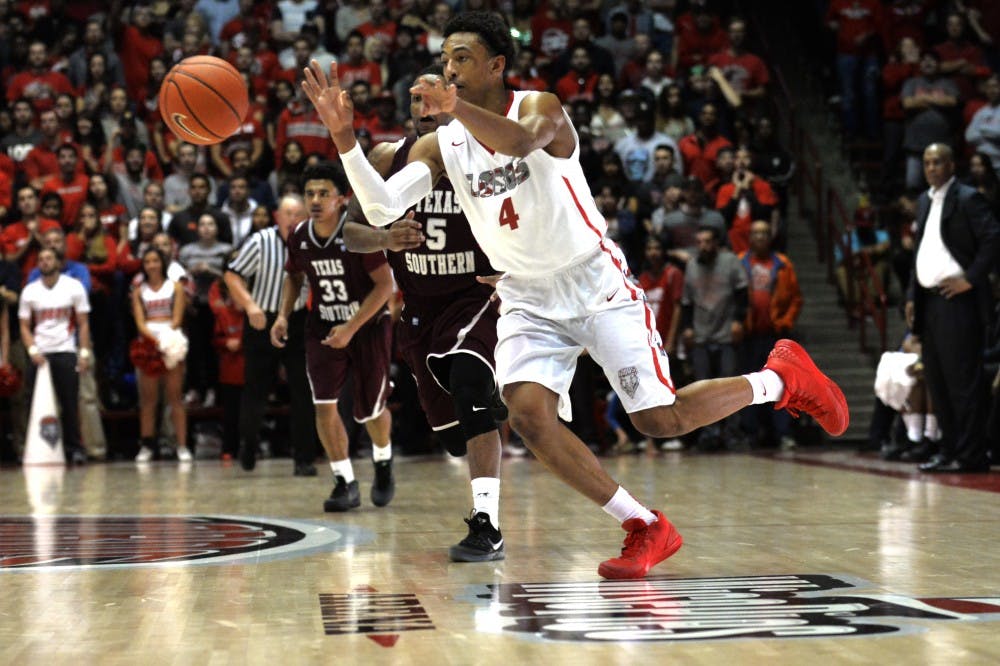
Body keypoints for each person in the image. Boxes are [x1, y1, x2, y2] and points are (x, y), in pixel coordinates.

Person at [300, 11, 849, 579]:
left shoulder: (540, 108)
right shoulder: (442, 145)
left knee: (660, 420)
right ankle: (644, 525)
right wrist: (344, 139)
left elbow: (516, 144)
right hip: (525, 296)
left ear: (496, 64)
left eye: (461, 57)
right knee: (528, 416)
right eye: (444, 60)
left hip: (593, 280)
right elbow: (384, 208)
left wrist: (454, 109)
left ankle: (780, 379)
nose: (450, 70)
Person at [342, 65, 506, 561]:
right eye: (415, 101)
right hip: (418, 310)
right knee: (454, 435)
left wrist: (514, 264)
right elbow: (350, 233)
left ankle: (487, 525)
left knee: (471, 389)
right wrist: (384, 238)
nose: (423, 109)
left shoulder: (480, 157)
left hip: (474, 296)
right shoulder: (386, 158)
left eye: (431, 98)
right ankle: (485, 412)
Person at [270, 163, 395, 511]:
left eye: (324, 193)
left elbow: (385, 286)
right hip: (323, 326)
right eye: (310, 193)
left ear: (342, 199)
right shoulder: (299, 236)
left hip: (368, 325)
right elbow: (294, 276)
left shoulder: (357, 234)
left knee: (371, 409)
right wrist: (283, 314)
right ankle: (344, 481)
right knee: (323, 404)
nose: (315, 199)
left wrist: (351, 327)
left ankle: (383, 462)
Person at [905, 143, 1000, 472]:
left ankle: (971, 454)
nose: (931, 168)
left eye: (938, 162)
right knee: (938, 381)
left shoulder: (967, 197)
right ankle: (948, 450)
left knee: (963, 382)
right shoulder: (923, 201)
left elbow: (993, 238)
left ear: (951, 165)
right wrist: (910, 297)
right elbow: (921, 254)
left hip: (958, 301)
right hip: (929, 300)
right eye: (927, 162)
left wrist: (970, 279)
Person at [224, 194, 319, 476]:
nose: (293, 219)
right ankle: (249, 446)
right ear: (277, 216)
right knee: (255, 390)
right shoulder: (260, 241)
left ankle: (304, 458)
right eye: (288, 214)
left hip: (298, 320)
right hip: (261, 320)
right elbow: (232, 275)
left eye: (298, 214)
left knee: (303, 391)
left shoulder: (311, 240)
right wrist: (250, 306)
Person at [18, 246, 92, 465]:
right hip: (40, 354)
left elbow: (83, 322)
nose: (45, 262)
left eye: (49, 258)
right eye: (41, 259)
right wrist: (32, 350)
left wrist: (84, 352)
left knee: (69, 403)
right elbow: (24, 325)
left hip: (65, 350)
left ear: (58, 262)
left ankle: (75, 448)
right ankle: (36, 447)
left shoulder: (73, 287)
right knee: (33, 402)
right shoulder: (30, 291)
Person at [738, 220, 804, 449]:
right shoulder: (740, 262)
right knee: (748, 385)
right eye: (756, 234)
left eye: (764, 233)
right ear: (750, 237)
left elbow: (796, 298)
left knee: (780, 384)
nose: (760, 238)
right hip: (749, 334)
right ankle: (750, 433)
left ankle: (783, 432)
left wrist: (786, 321)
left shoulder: (783, 264)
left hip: (775, 335)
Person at [132, 247, 192, 463]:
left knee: (175, 398)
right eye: (147, 261)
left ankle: (182, 446)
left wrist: (165, 340)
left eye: (155, 260)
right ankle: (147, 445)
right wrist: (153, 341)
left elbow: (177, 318)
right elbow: (139, 321)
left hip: (171, 343)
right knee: (148, 400)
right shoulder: (139, 291)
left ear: (162, 263)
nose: (151, 265)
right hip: (148, 345)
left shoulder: (175, 287)